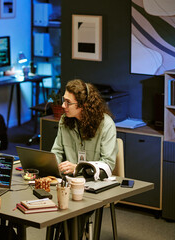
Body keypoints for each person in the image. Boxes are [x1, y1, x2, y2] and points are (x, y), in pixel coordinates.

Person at [51, 79, 118, 239]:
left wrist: (77, 168)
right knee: (47, 204)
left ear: (83, 105)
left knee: (73, 211)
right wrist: (50, 166)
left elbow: (108, 164)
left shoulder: (106, 125)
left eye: (68, 102)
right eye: (63, 100)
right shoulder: (64, 121)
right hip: (66, 182)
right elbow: (56, 152)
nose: (63, 106)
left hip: (92, 184)